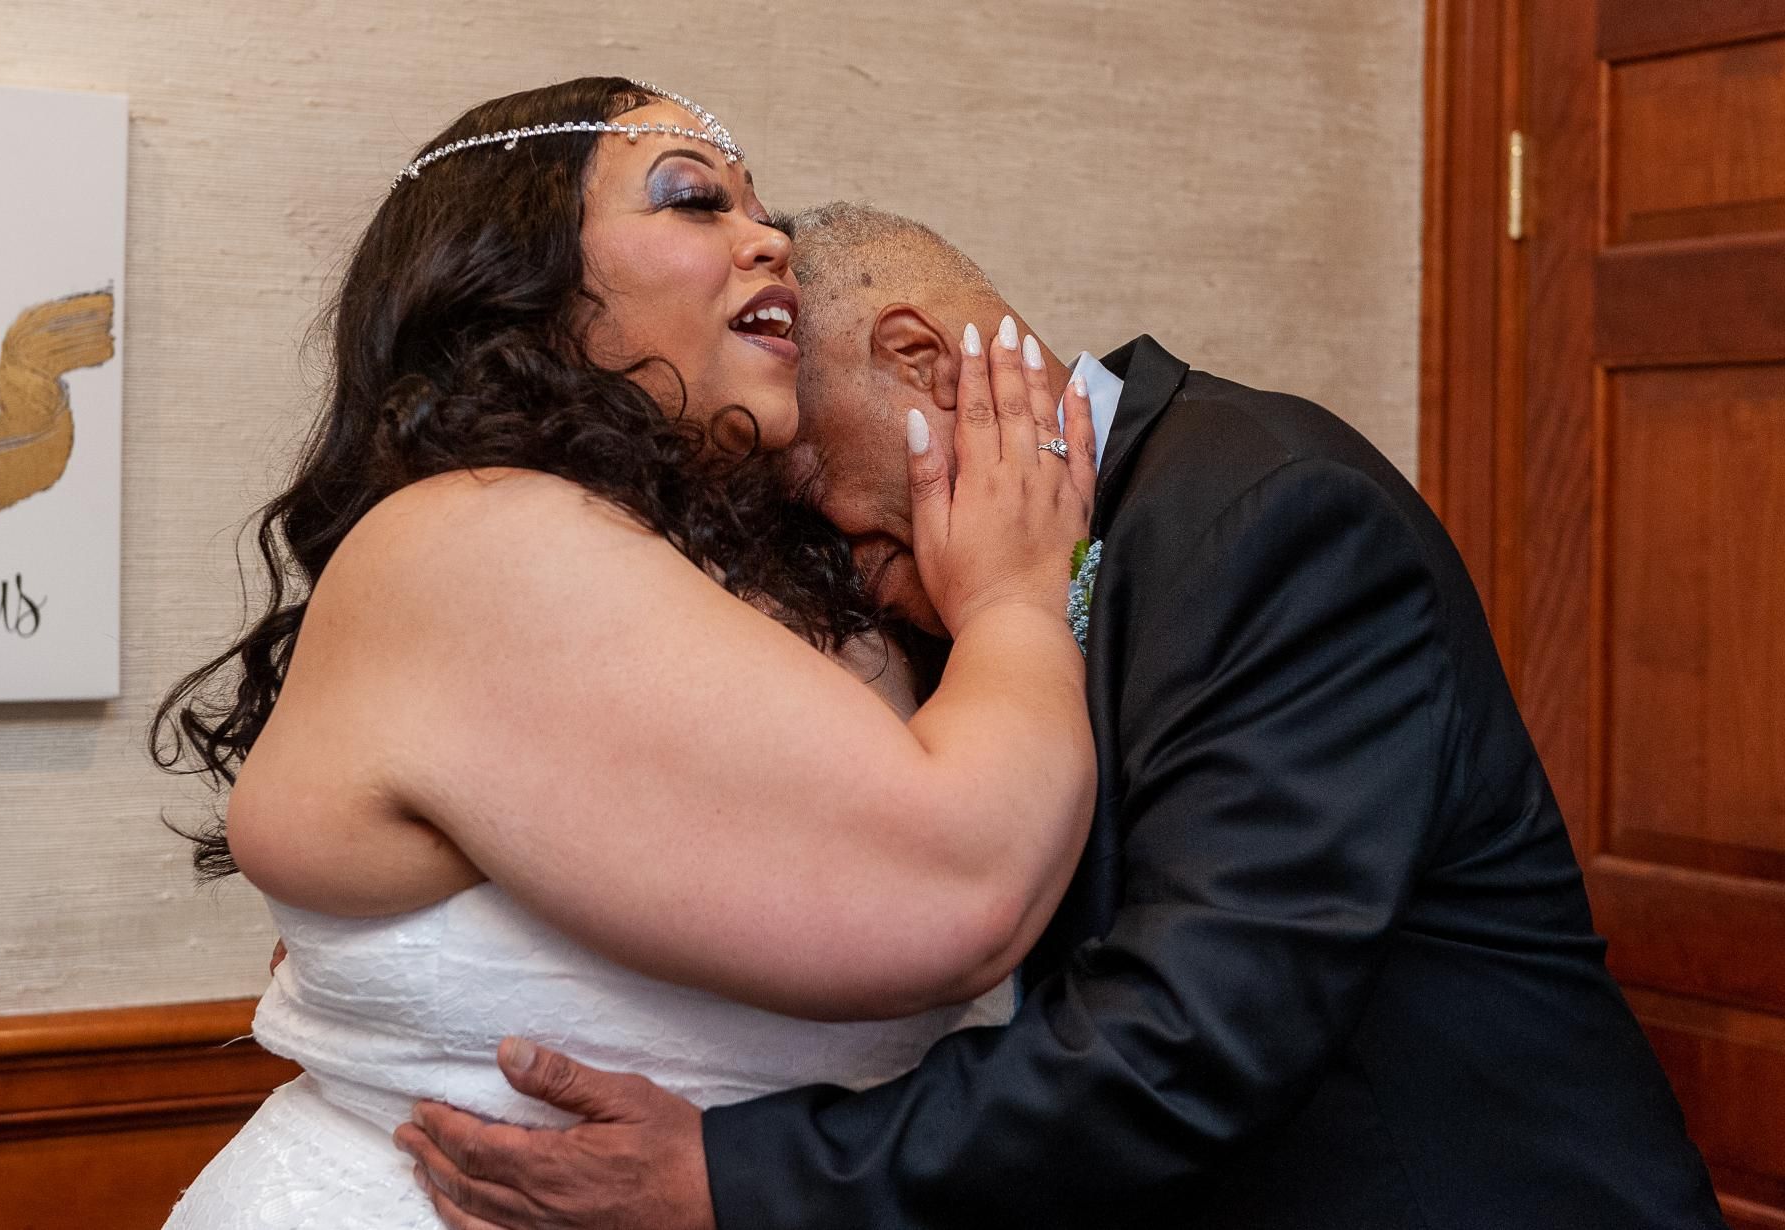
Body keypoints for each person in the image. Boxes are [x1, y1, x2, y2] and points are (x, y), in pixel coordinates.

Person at [400, 205, 1729, 1230]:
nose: (813, 545)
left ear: (918, 358)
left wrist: (731, 1176)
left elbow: (1194, 1029)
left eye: (811, 487)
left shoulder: (1268, 520)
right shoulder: (971, 605)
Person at [153, 82, 1106, 1228]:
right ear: (519, 283)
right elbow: (958, 888)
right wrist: (1014, 594)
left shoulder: (756, 567)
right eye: (695, 201)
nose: (773, 241)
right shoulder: (481, 536)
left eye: (762, 207)